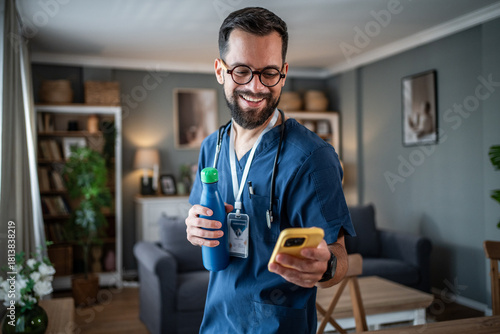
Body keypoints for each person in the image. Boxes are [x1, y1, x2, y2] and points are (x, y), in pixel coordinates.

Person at [185, 7, 355, 333]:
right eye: (241, 71)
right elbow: (199, 215)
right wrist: (194, 227)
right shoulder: (212, 146)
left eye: (269, 73)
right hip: (217, 323)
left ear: (284, 72)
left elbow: (339, 257)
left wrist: (326, 266)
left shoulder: (312, 158)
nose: (256, 86)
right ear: (220, 70)